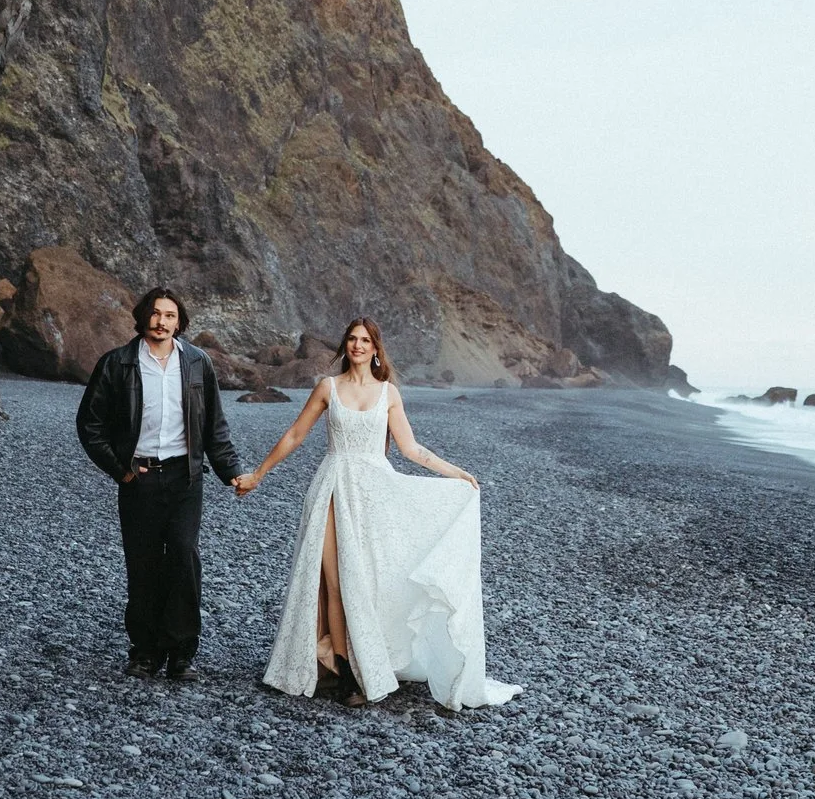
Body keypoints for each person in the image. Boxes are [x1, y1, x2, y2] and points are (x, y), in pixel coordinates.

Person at [234, 318, 519, 710]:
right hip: (333, 487)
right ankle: (346, 671)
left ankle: (368, 655)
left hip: (375, 492)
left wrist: (456, 473)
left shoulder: (388, 394)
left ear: (375, 348)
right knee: (334, 582)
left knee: (368, 579)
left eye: (365, 340)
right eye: (351, 339)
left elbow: (411, 449)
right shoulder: (328, 388)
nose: (357, 345)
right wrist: (258, 474)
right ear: (344, 345)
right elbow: (295, 435)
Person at [75, 288, 240, 680]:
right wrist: (121, 469)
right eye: (155, 313)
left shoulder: (198, 363)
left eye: (169, 315)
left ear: (179, 322)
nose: (161, 321)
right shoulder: (118, 363)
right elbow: (90, 424)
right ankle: (145, 652)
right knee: (144, 562)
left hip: (186, 476)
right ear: (142, 317)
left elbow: (214, 425)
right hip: (140, 478)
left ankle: (181, 653)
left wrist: (230, 471)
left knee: (184, 557)